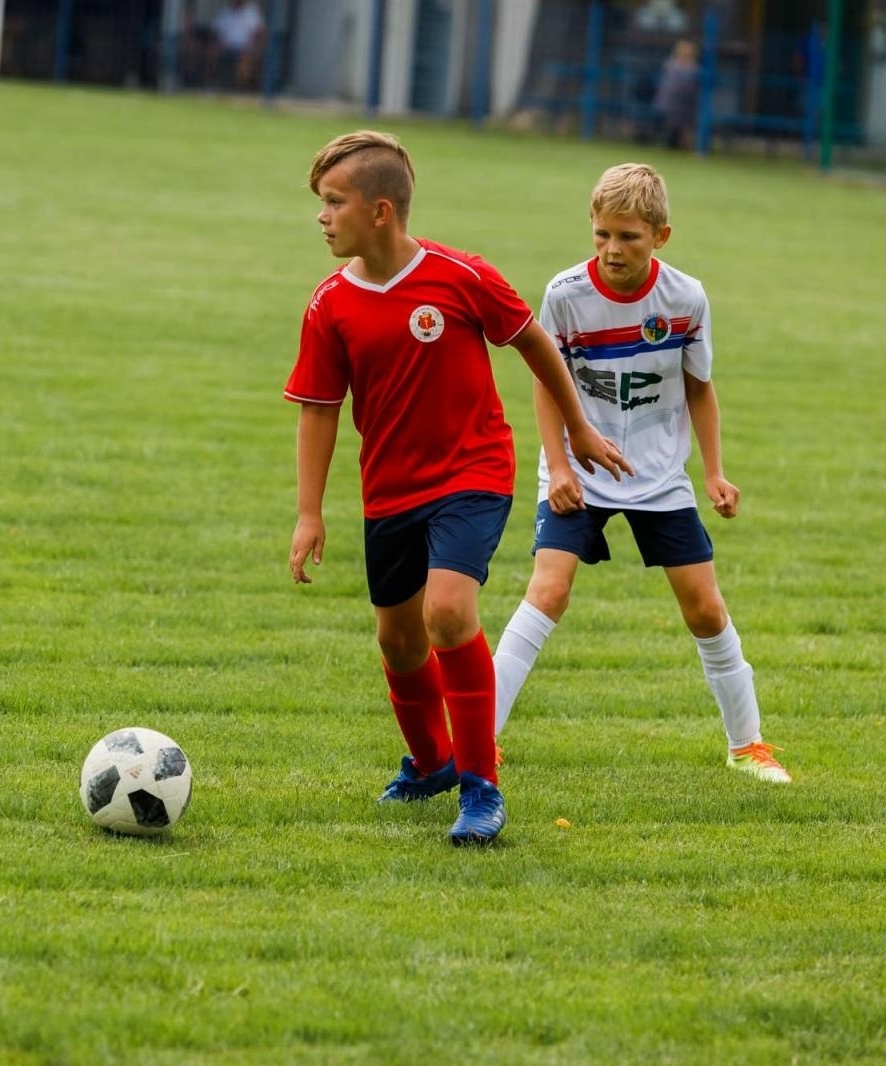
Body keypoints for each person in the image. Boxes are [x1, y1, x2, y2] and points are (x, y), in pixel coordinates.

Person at [285, 131, 634, 845]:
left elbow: (534, 342)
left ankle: (481, 788)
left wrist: (577, 430)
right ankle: (432, 763)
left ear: (380, 211)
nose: (322, 216)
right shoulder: (329, 304)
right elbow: (319, 409)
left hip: (472, 473)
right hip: (390, 490)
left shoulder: (460, 276)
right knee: (398, 641)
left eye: (334, 202)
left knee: (447, 611)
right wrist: (308, 513)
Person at [492, 162, 791, 785]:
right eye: (602, 234)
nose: (612, 249)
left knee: (705, 608)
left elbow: (700, 387)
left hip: (658, 475)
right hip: (579, 467)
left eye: (628, 237)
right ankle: (476, 743)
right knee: (547, 592)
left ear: (660, 236)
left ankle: (748, 748)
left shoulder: (686, 298)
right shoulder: (565, 294)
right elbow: (547, 381)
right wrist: (559, 464)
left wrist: (714, 472)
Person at [652, 39, 700, 150]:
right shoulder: (671, 64)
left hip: (686, 100)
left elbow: (692, 86)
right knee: (669, 121)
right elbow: (666, 85)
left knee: (685, 123)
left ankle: (683, 143)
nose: (685, 52)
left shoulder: (694, 67)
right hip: (671, 100)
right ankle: (667, 141)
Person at [210, 0, 265, 90]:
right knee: (211, 52)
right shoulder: (226, 11)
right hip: (225, 47)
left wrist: (250, 47)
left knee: (245, 59)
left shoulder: (252, 12)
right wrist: (218, 44)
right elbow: (215, 31)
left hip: (244, 49)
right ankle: (211, 83)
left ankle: (239, 88)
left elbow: (259, 33)